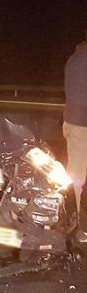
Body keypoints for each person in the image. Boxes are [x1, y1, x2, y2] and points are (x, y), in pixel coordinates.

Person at [63, 33, 87, 242]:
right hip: (81, 126)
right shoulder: (82, 60)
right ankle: (77, 226)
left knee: (78, 176)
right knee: (78, 178)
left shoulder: (78, 57)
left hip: (78, 124)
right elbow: (81, 98)